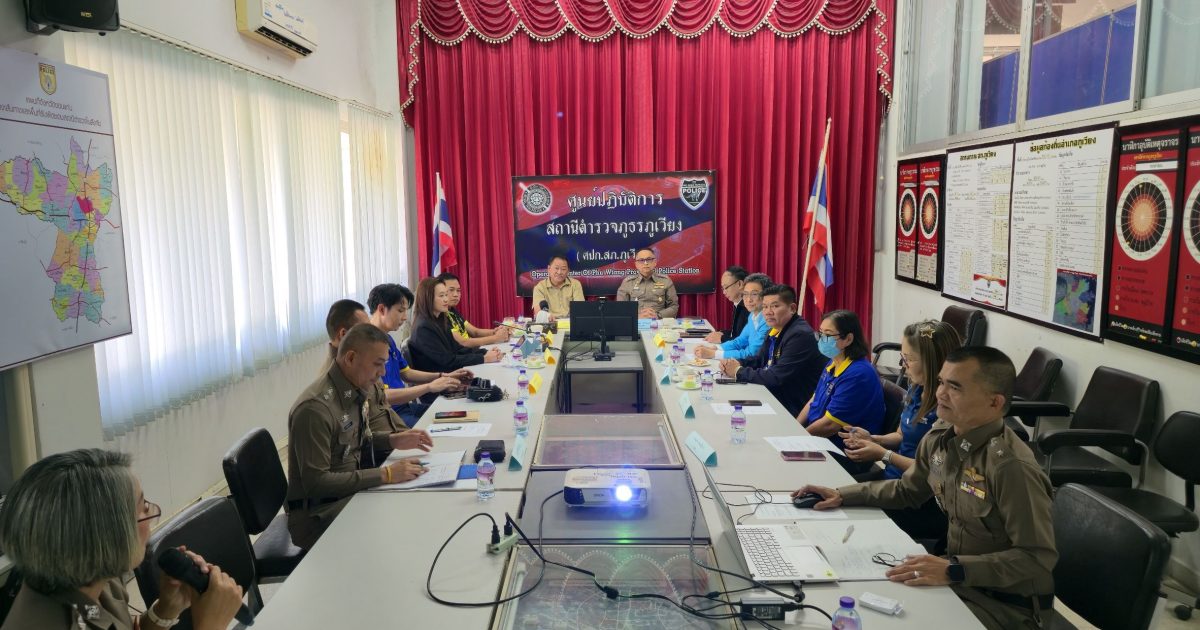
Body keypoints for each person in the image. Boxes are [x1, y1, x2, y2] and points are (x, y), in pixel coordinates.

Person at [793, 347, 1056, 630]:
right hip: (956, 581)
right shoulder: (941, 436)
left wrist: (955, 570)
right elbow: (908, 490)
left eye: (955, 387)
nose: (940, 393)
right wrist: (842, 494)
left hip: (1005, 605)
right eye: (941, 382)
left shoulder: (1011, 467)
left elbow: (1036, 557)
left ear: (994, 402)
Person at [0, 449, 243, 630]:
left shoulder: (94, 579)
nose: (151, 514)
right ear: (106, 539)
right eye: (143, 508)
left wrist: (166, 609)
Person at [287, 324, 436, 549]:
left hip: (349, 494)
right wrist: (386, 474)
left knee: (415, 503)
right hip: (319, 515)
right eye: (377, 364)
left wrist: (393, 440)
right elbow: (316, 482)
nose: (383, 372)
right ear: (350, 358)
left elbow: (357, 443)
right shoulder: (315, 409)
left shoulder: (355, 388)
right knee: (403, 524)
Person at [839, 320, 961, 547]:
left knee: (847, 511)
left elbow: (931, 472)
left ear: (933, 362)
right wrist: (873, 439)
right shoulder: (917, 388)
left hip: (920, 498)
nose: (903, 365)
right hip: (893, 480)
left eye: (909, 359)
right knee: (835, 491)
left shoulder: (948, 409)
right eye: (902, 358)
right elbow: (902, 435)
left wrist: (882, 454)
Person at [363, 286, 471, 426]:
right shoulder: (366, 345)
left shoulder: (387, 338)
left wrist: (443, 376)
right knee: (444, 427)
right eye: (400, 311)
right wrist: (428, 387)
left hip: (404, 407)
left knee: (458, 415)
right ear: (382, 309)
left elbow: (406, 373)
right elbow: (382, 396)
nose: (404, 317)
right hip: (386, 415)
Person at [796, 309, 884, 474]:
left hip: (843, 451)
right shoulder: (833, 362)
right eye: (820, 333)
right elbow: (814, 399)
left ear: (848, 339)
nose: (822, 339)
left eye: (828, 335)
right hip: (818, 438)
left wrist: (798, 440)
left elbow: (830, 425)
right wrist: (796, 428)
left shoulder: (858, 374)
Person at [718, 284, 826, 417]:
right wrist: (736, 362)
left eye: (775, 306)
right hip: (774, 396)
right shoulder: (775, 328)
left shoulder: (799, 335)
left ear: (792, 308)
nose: (768, 312)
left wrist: (737, 371)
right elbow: (760, 359)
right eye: (764, 307)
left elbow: (775, 377)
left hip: (791, 406)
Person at [408, 277, 503, 373]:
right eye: (441, 296)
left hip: (451, 372)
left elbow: (458, 349)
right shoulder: (423, 327)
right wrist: (483, 358)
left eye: (446, 295)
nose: (446, 299)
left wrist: (485, 352)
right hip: (442, 377)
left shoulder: (440, 320)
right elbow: (447, 360)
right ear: (428, 298)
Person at [695, 273, 771, 361]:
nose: (748, 299)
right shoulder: (752, 315)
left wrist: (713, 354)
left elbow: (752, 354)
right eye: (745, 294)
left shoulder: (768, 320)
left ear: (766, 295)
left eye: (754, 294)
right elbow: (740, 341)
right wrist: (716, 348)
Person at [437, 272, 510, 348]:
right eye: (451, 290)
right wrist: (496, 338)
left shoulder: (452, 311)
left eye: (458, 290)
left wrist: (495, 332)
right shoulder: (440, 315)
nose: (456, 294)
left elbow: (475, 332)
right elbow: (463, 342)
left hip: (471, 351)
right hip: (464, 353)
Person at [616, 247, 679, 319]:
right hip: (636, 322)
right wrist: (638, 317)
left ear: (655, 262)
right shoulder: (627, 283)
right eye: (641, 260)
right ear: (636, 264)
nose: (645, 263)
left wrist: (658, 315)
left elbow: (674, 306)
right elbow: (621, 308)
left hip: (659, 322)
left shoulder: (665, 281)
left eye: (649, 259)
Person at [531, 254, 584, 320]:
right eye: (556, 268)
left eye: (563, 269)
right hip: (550, 323)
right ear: (549, 269)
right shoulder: (539, 288)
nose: (559, 272)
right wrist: (547, 316)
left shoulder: (575, 284)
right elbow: (538, 312)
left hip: (571, 323)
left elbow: (580, 309)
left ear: (568, 271)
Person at [706, 265, 748, 343]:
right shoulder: (737, 304)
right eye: (722, 288)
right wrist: (721, 333)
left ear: (739, 284)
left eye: (726, 287)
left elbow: (745, 340)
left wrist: (722, 338)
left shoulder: (749, 306)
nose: (724, 292)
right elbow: (735, 333)